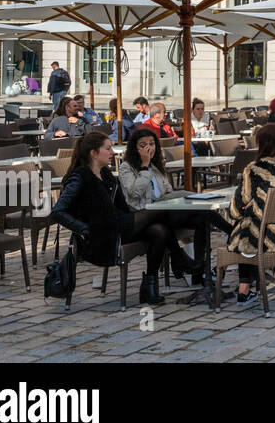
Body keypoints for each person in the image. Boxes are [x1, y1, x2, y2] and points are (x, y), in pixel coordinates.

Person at [52, 132, 174, 306]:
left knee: (159, 230)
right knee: (161, 212)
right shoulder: (79, 177)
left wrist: (139, 217)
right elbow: (57, 212)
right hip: (99, 235)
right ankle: (180, 260)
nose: (113, 153)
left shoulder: (106, 175)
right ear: (93, 153)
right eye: (108, 149)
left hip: (116, 225)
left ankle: (149, 287)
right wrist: (84, 229)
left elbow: (123, 207)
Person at [215, 123, 275, 305]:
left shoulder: (254, 169)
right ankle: (251, 284)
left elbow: (235, 209)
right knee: (250, 226)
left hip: (264, 239)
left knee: (244, 229)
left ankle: (244, 288)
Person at [117, 126, 201, 281]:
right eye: (143, 145)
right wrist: (144, 166)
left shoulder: (157, 166)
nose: (149, 148)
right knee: (161, 228)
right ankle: (179, 260)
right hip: (140, 216)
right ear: (135, 148)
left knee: (201, 218)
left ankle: (198, 266)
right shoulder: (126, 167)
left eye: (152, 143)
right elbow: (135, 193)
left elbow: (168, 190)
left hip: (163, 212)